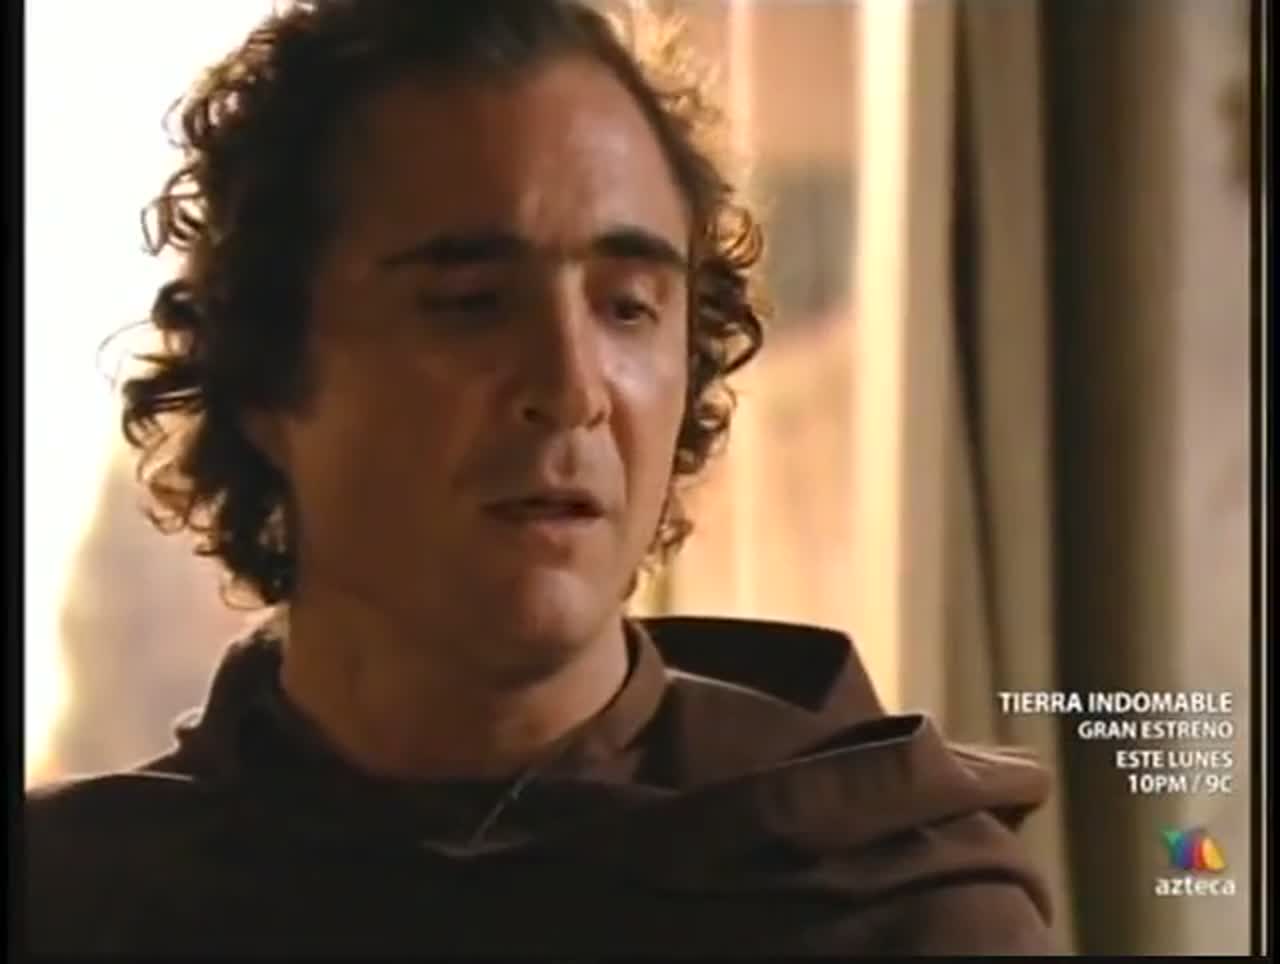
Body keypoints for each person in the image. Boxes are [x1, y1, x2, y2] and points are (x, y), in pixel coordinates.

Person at [25, 0, 1056, 955]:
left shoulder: (884, 908)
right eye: (470, 303)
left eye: (627, 306)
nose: (570, 388)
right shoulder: (73, 905)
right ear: (267, 370)